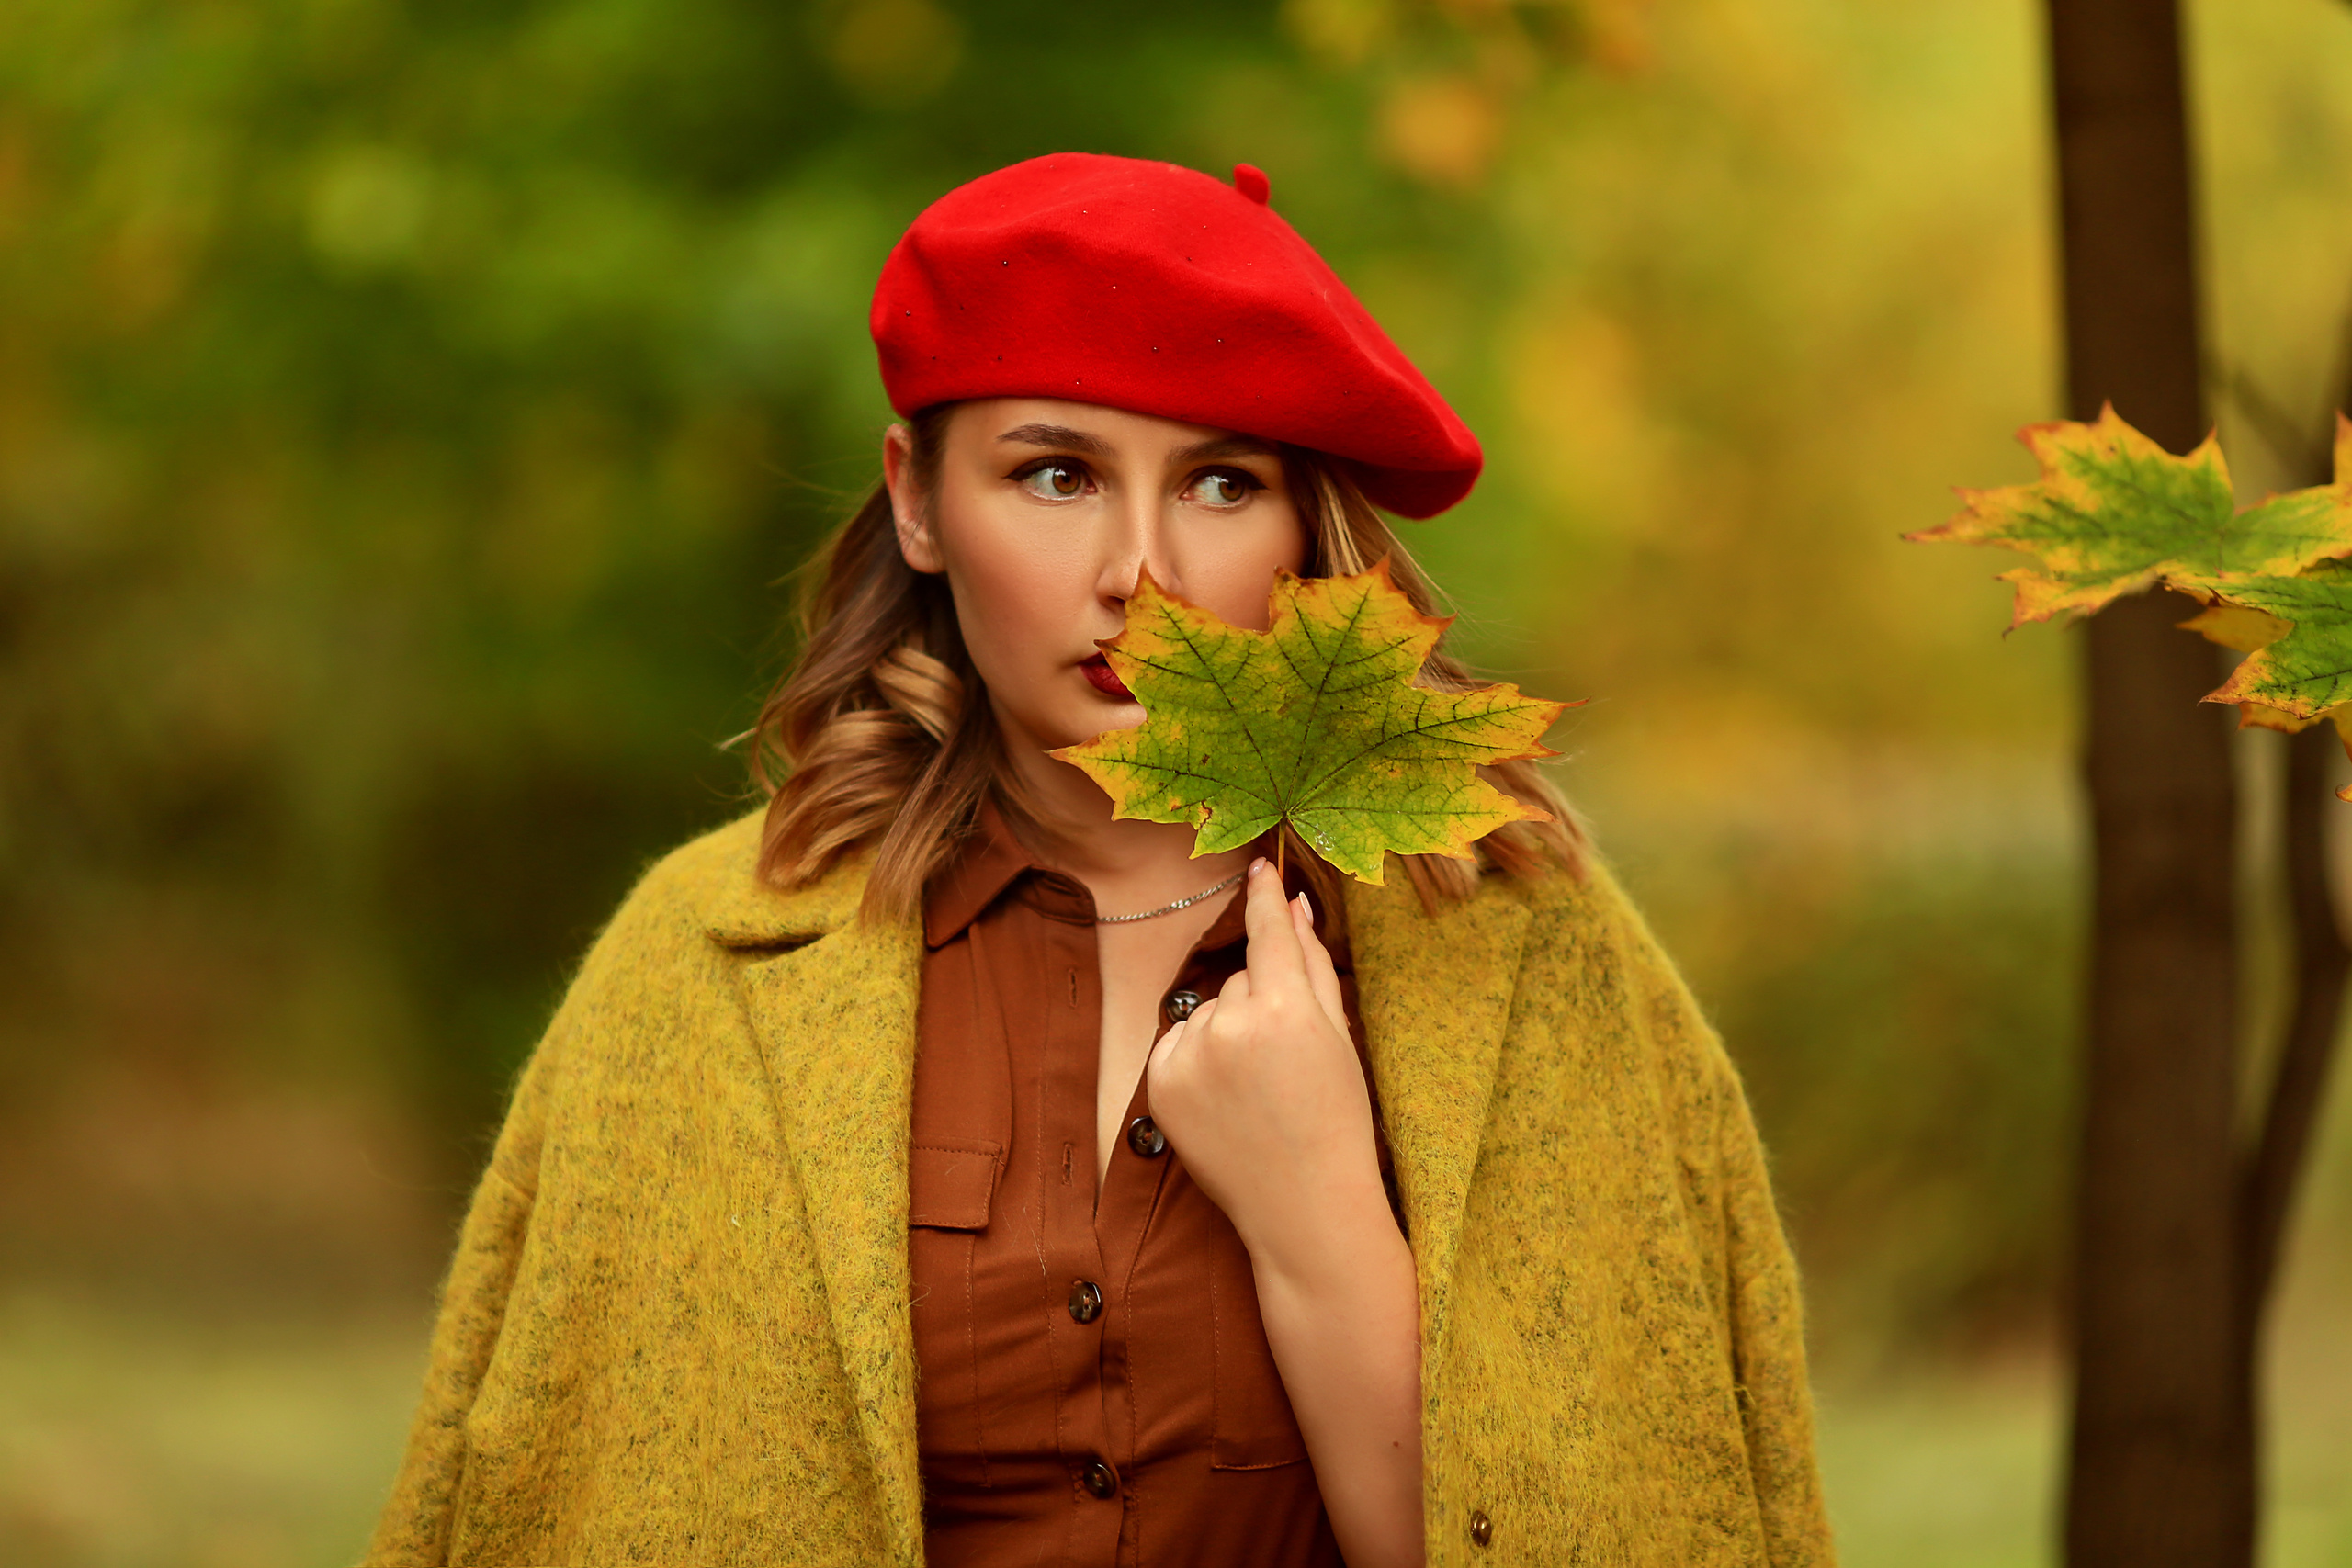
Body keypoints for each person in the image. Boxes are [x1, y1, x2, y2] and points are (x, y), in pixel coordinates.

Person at [365, 153, 1833, 1568]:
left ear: (1304, 524)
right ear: (920, 500)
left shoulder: (1519, 945)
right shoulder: (702, 964)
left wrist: (1324, 1219)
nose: (1144, 572)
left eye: (1220, 484)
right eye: (1058, 474)